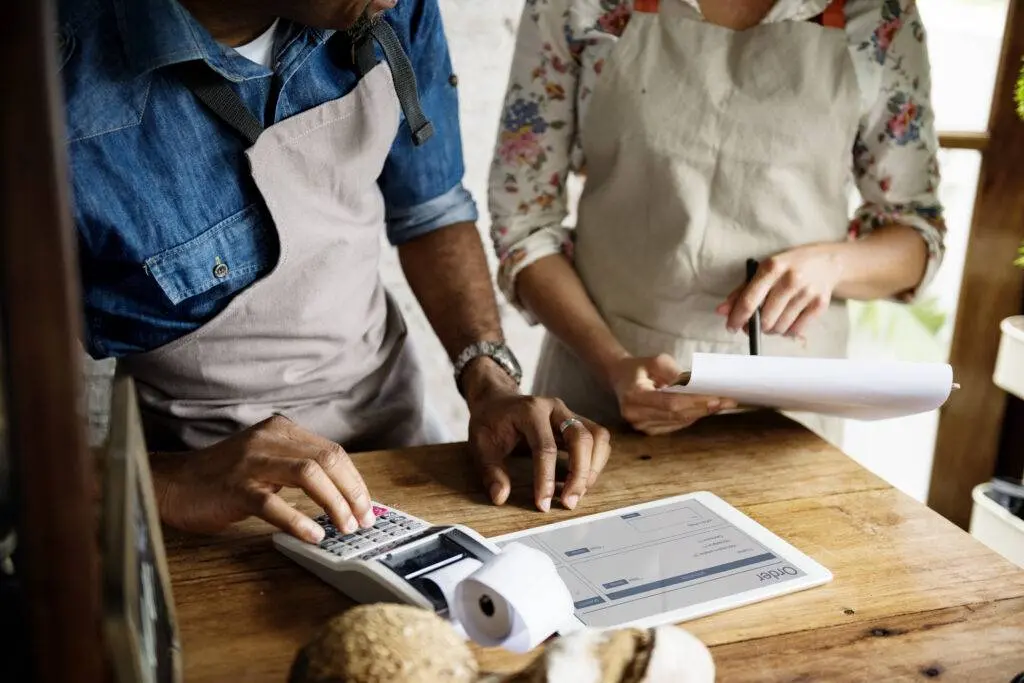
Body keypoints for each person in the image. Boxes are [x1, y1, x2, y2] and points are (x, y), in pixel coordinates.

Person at [58, 0, 612, 544]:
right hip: (211, 494)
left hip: (397, 443)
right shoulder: (44, 82)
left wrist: (488, 379)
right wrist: (169, 481)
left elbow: (429, 211)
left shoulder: (386, 9)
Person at [488, 0, 946, 444]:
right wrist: (613, 364)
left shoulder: (879, 15)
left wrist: (833, 265)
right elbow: (524, 223)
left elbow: (915, 236)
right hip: (597, 399)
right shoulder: (573, 5)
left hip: (786, 421)